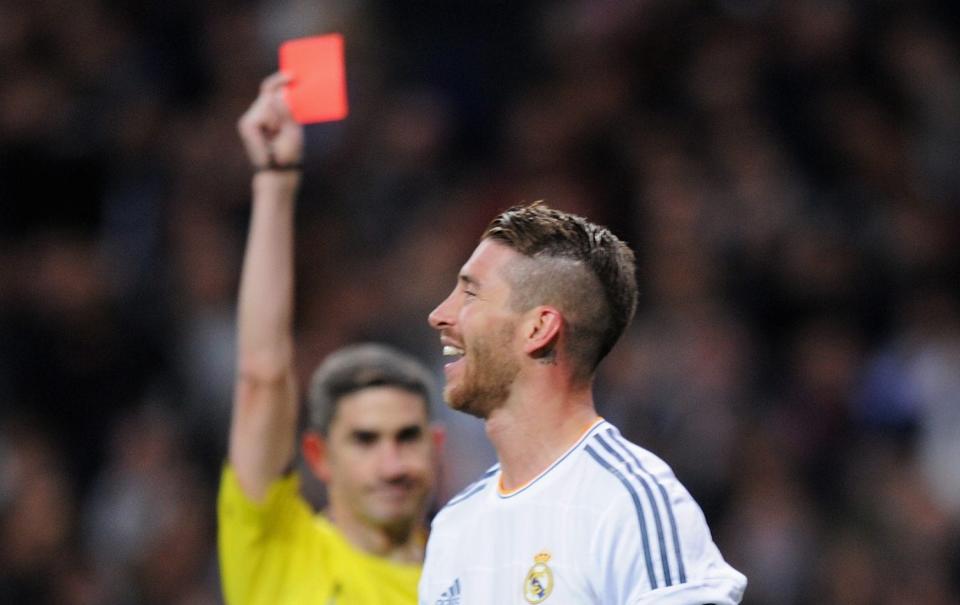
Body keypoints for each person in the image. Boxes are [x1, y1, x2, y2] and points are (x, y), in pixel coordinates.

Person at [420, 205, 747, 603]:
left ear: (538, 328)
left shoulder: (630, 502)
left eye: (470, 293)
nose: (439, 315)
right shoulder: (454, 526)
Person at [218, 73, 443, 605]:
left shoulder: (474, 573)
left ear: (435, 449)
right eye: (364, 440)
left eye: (406, 437)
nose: (391, 464)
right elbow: (264, 374)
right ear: (319, 456)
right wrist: (275, 182)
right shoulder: (278, 548)